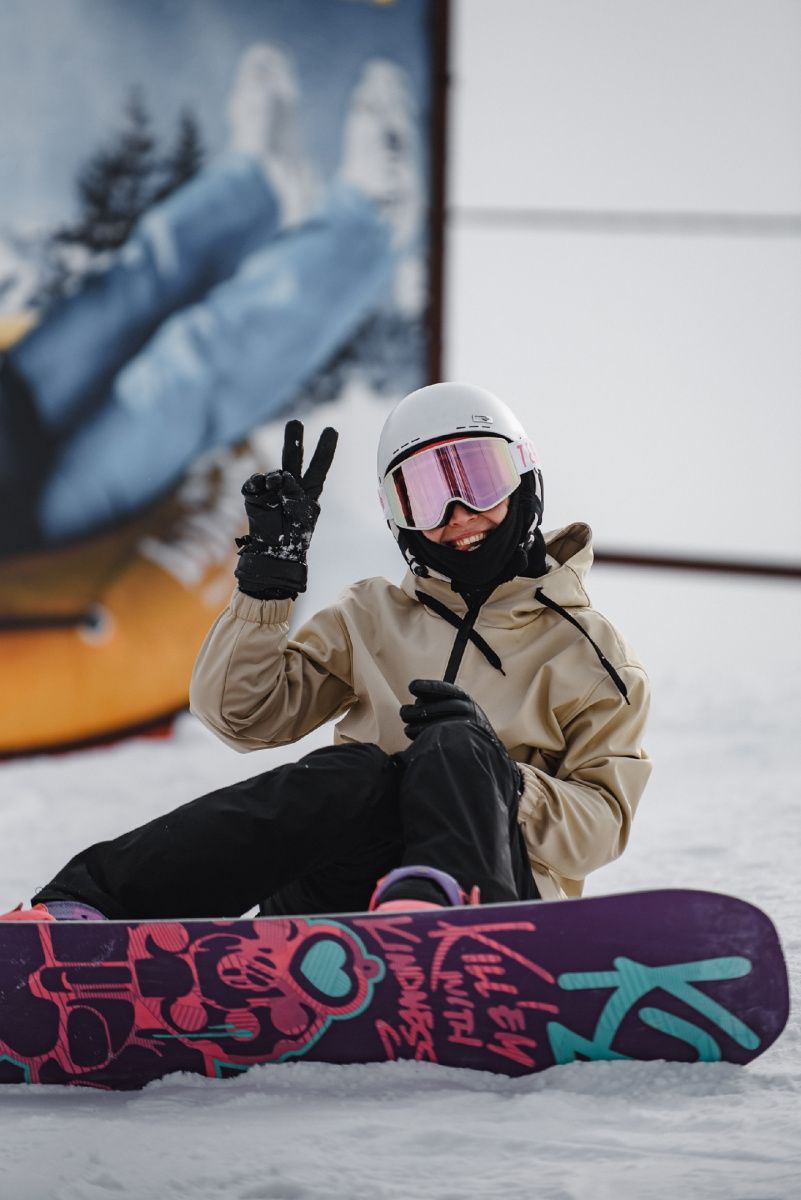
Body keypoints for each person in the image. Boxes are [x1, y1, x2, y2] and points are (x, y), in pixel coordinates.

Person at [1, 381, 651, 922]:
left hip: (493, 896)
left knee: (457, 747)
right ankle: (88, 910)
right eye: (425, 497)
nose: (456, 514)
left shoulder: (590, 655)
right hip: (341, 898)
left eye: (479, 481)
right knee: (355, 771)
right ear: (398, 516)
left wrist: (500, 781)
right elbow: (241, 714)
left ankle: (431, 918)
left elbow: (602, 824)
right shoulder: (370, 616)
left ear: (524, 481)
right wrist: (267, 583)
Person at [0, 47, 423, 557]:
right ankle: (368, 222)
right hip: (33, 522)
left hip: (9, 396)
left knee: (125, 292)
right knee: (186, 374)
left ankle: (266, 184)